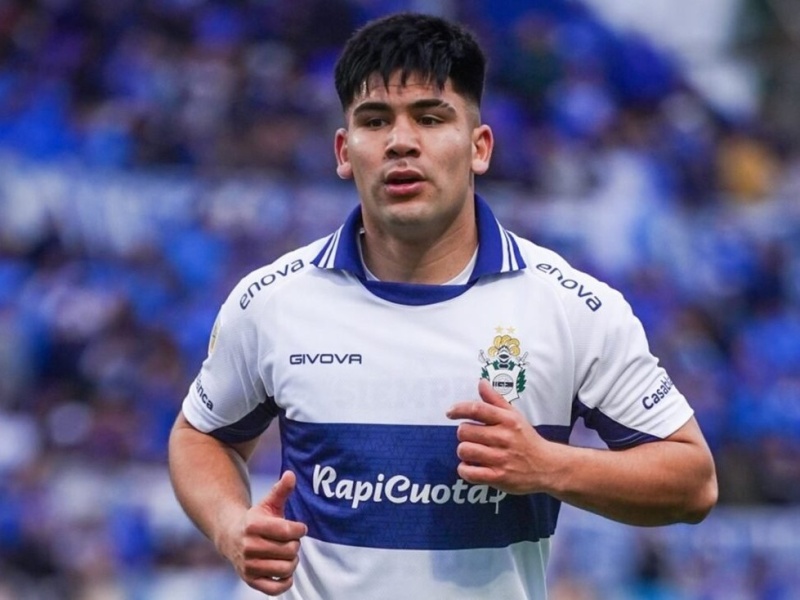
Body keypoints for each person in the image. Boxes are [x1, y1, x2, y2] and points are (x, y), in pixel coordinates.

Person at [168, 12, 718, 599]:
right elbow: (200, 436)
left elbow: (693, 482)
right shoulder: (273, 301)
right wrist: (231, 527)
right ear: (344, 152)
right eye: (374, 121)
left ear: (479, 147)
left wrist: (549, 465)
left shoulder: (572, 307)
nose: (401, 141)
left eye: (430, 118)